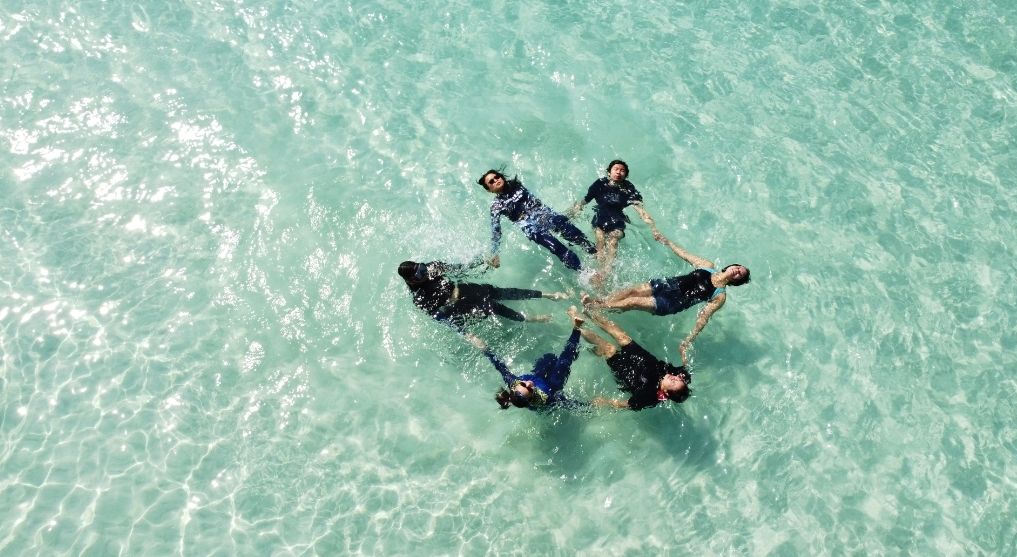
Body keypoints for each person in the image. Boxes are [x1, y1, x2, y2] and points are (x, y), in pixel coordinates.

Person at [583, 232, 750, 365]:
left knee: (632, 302)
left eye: (740, 274)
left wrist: (688, 341)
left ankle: (596, 308)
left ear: (737, 281)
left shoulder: (719, 295)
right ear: (731, 266)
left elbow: (703, 317)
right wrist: (666, 241)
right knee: (631, 290)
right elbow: (685, 255)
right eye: (738, 268)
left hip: (672, 303)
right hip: (667, 284)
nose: (737, 271)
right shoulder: (708, 266)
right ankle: (601, 302)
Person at [398, 259, 568, 331]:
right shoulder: (420, 297)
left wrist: (484, 261)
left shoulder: (431, 268)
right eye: (420, 274)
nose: (425, 273)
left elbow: (460, 269)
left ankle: (546, 294)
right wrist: (468, 334)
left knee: (498, 292)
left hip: (460, 289)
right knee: (492, 306)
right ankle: (529, 318)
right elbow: (439, 317)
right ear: (412, 281)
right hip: (459, 308)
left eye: (422, 268)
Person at [478, 169, 597, 272]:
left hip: (544, 215)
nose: (496, 180)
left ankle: (594, 252)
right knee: (556, 247)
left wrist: (553, 216)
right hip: (531, 228)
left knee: (569, 230)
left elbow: (536, 202)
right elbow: (496, 230)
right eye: (491, 182)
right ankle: (584, 271)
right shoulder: (496, 206)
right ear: (489, 190)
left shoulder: (516, 184)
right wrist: (495, 252)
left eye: (496, 177)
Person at [576, 308, 692, 410]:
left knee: (609, 349)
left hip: (626, 372)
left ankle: (577, 328)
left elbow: (628, 405)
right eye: (678, 379)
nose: (675, 378)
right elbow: (686, 368)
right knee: (622, 337)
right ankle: (591, 311)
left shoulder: (649, 397)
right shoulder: (679, 377)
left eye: (673, 382)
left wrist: (605, 402)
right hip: (640, 357)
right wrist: (683, 352)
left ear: (665, 392)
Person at [473, 308, 587, 411]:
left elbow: (499, 366)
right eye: (530, 389)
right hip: (552, 386)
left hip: (539, 376)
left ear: (514, 388)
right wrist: (592, 405)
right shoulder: (546, 399)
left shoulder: (512, 381)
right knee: (563, 362)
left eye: (523, 384)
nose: (529, 383)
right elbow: (570, 405)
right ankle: (577, 328)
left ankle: (574, 349)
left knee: (549, 358)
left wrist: (484, 349)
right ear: (532, 396)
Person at [566, 159, 659, 285]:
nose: (619, 172)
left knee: (614, 240)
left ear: (626, 175)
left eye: (622, 170)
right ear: (609, 172)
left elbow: (640, 209)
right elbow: (585, 200)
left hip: (617, 220)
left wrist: (653, 227)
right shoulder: (600, 184)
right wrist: (568, 214)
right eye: (616, 169)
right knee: (600, 242)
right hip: (599, 219)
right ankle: (598, 274)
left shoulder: (628, 188)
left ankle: (606, 272)